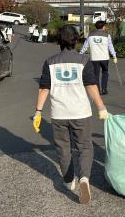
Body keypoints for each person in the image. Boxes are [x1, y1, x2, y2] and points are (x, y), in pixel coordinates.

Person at [32, 25, 108, 205]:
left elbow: (44, 88)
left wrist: (38, 112)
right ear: (76, 40)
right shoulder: (83, 61)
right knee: (85, 147)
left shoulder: (50, 62)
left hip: (59, 114)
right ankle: (84, 178)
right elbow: (91, 86)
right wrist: (101, 107)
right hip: (80, 112)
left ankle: (68, 181)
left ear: (58, 41)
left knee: (63, 148)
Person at [79, 20, 117, 95]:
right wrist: (114, 56)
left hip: (94, 58)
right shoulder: (107, 35)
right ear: (103, 27)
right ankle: (104, 89)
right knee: (105, 73)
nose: (105, 27)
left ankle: (98, 90)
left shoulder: (90, 35)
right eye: (105, 26)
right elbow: (110, 46)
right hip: (104, 58)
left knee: (96, 74)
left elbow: (85, 47)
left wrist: (80, 54)